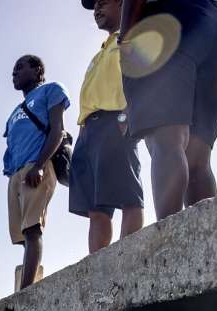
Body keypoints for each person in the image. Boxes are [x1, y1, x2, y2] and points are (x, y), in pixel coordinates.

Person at [118, 0, 217, 220]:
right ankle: (205, 242)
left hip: (166, 19)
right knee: (198, 156)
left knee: (165, 138)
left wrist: (126, 37)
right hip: (216, 22)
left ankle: (168, 240)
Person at [72, 0, 143, 253]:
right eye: (94, 7)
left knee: (129, 198)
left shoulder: (132, 36)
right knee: (96, 208)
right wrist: (83, 132)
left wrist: (127, 117)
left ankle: (127, 261)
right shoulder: (99, 52)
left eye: (103, 3)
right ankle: (98, 271)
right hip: (88, 132)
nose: (96, 10)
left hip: (116, 122)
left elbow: (141, 78)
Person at [3, 55, 70, 289]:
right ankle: (28, 282)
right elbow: (11, 146)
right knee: (23, 235)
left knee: (32, 229)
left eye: (20, 67)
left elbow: (57, 131)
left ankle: (25, 292)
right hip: (16, 174)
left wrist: (40, 165)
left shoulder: (51, 90)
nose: (15, 72)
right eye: (13, 69)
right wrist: (11, 175)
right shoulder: (13, 113)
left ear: (37, 70)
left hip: (37, 166)